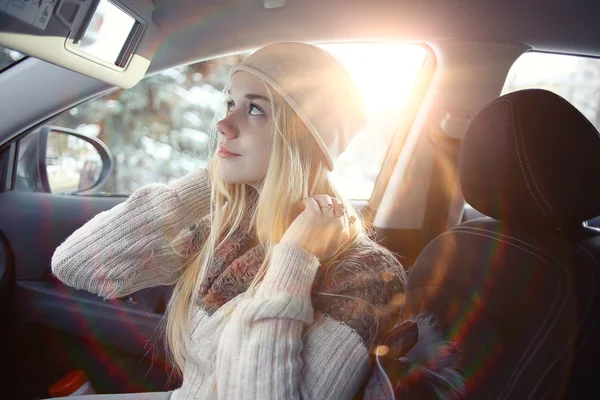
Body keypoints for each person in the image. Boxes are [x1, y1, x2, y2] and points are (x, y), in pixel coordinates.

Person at [51, 42, 463, 400]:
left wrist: (293, 262)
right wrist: (209, 181)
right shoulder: (231, 228)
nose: (222, 124)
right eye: (229, 103)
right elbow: (76, 264)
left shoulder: (366, 274)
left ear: (303, 136)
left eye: (255, 109)